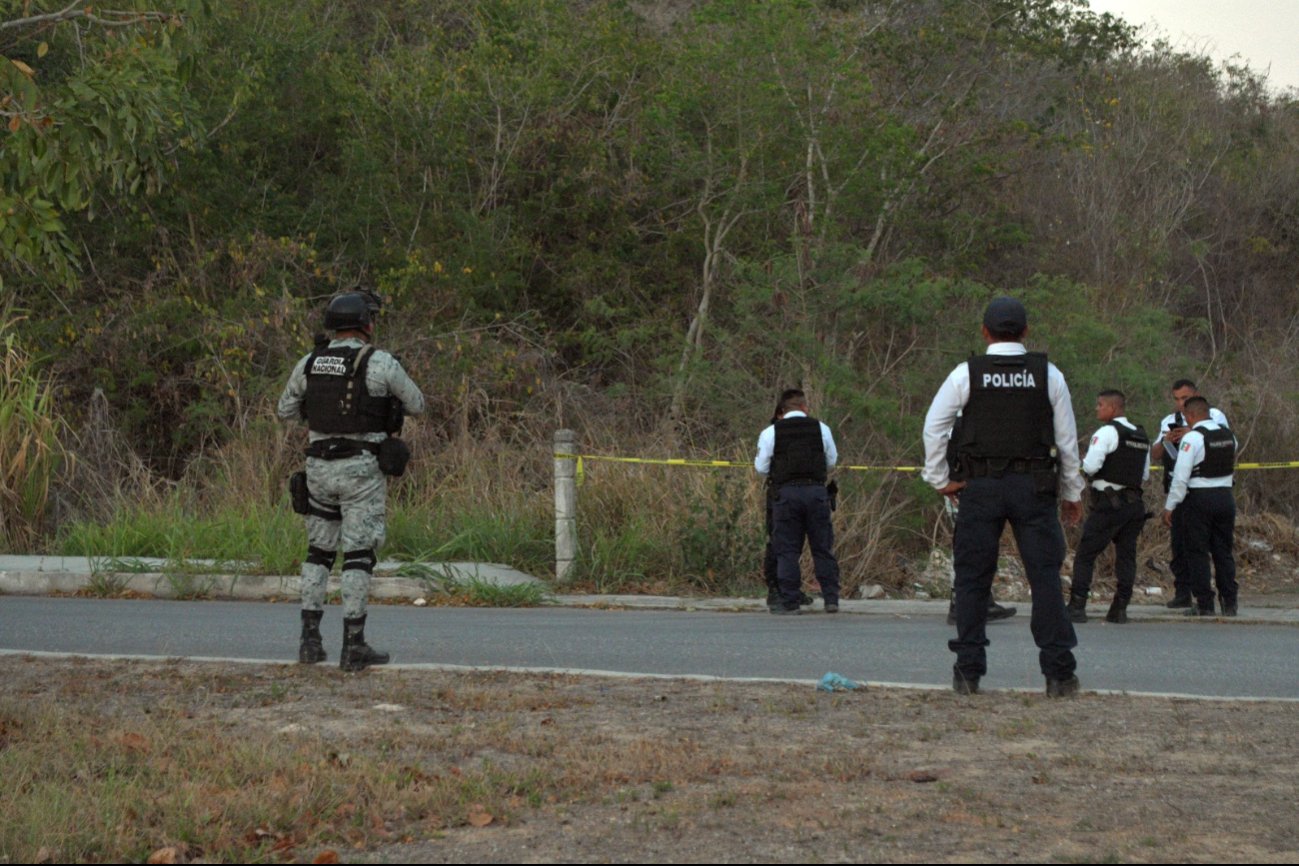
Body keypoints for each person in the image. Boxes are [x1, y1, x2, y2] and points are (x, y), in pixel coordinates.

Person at [922, 297, 1084, 697]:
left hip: (980, 488)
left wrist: (940, 479)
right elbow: (1066, 442)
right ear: (1026, 332)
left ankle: (968, 672)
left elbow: (934, 427)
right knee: (1044, 578)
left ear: (984, 331)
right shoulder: (1049, 374)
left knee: (973, 580)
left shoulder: (967, 374)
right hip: (1035, 488)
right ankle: (1059, 674)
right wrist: (1072, 492)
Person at [278, 290, 426, 670]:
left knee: (318, 552)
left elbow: (285, 410)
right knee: (359, 556)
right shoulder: (379, 362)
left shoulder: (309, 361)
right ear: (365, 324)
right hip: (361, 469)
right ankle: (353, 646)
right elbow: (418, 405)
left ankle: (309, 643)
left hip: (318, 467)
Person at [754, 389, 840, 614]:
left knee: (787, 550)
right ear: (804, 408)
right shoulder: (822, 428)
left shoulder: (771, 432)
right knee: (822, 548)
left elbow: (761, 468)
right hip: (816, 492)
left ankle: (790, 601)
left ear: (782, 411)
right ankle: (831, 599)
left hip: (786, 495)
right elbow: (831, 461)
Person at [1069, 390, 1151, 625]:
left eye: (1100, 404)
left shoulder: (1107, 432)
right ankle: (1120, 608)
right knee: (1127, 556)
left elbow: (1092, 467)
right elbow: (1144, 474)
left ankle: (1076, 607)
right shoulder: (1141, 436)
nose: (1097, 409)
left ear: (1113, 409)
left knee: (1085, 554)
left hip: (1109, 504)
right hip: (1134, 506)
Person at [1150, 379, 1230, 609]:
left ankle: (1212, 597)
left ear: (1195, 396)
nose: (1180, 404)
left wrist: (1192, 433)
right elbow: (1155, 454)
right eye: (1176, 399)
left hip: (1205, 486)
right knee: (1180, 545)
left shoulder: (1213, 416)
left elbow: (1223, 440)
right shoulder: (1168, 421)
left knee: (1210, 548)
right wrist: (1167, 440)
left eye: (1184, 398)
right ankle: (1183, 592)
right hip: (1178, 488)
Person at [942, 416, 1017, 626]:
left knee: (974, 547)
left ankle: (981, 601)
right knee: (966, 547)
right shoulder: (962, 422)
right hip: (960, 489)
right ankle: (960, 604)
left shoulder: (958, 422)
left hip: (963, 487)